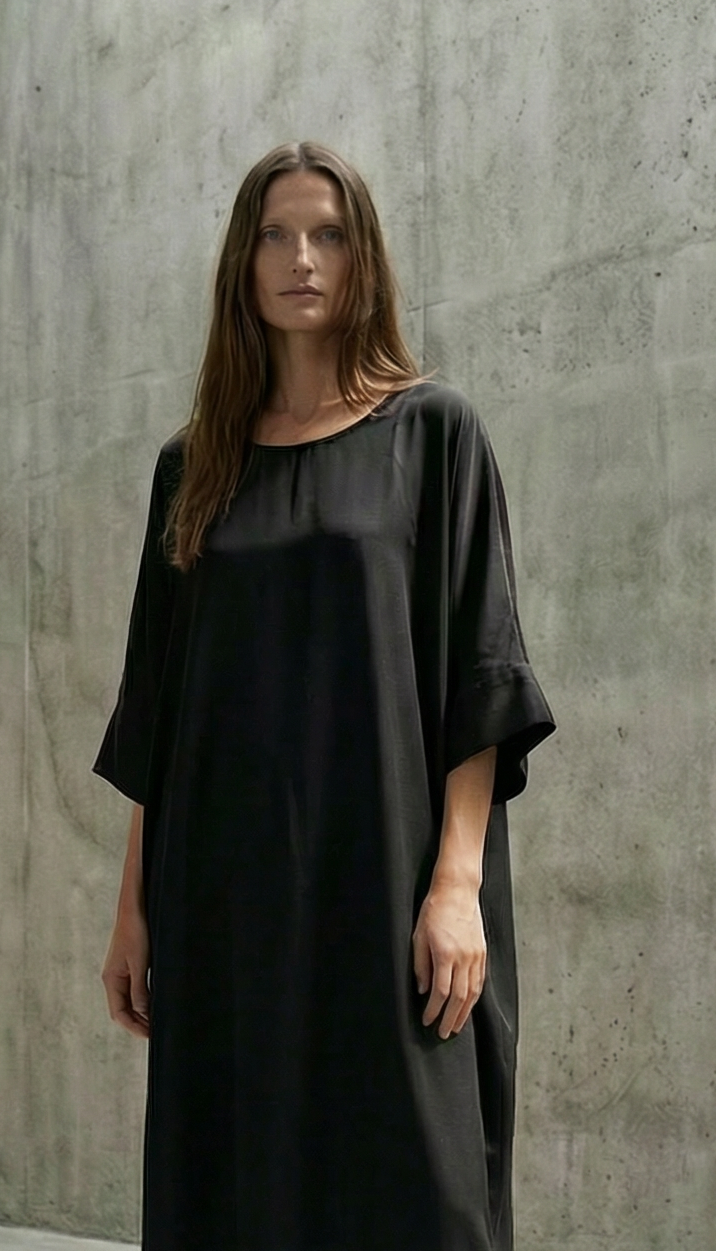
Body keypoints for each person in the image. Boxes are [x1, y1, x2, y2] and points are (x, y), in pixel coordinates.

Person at [92, 140, 555, 1251]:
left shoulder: (434, 433)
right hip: (226, 896)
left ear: (365, 258)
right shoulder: (192, 468)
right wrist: (131, 909)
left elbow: (480, 669)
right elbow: (162, 709)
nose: (304, 258)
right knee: (235, 1182)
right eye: (276, 234)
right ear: (242, 267)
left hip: (385, 875)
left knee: (417, 1188)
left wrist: (457, 885)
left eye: (330, 233)